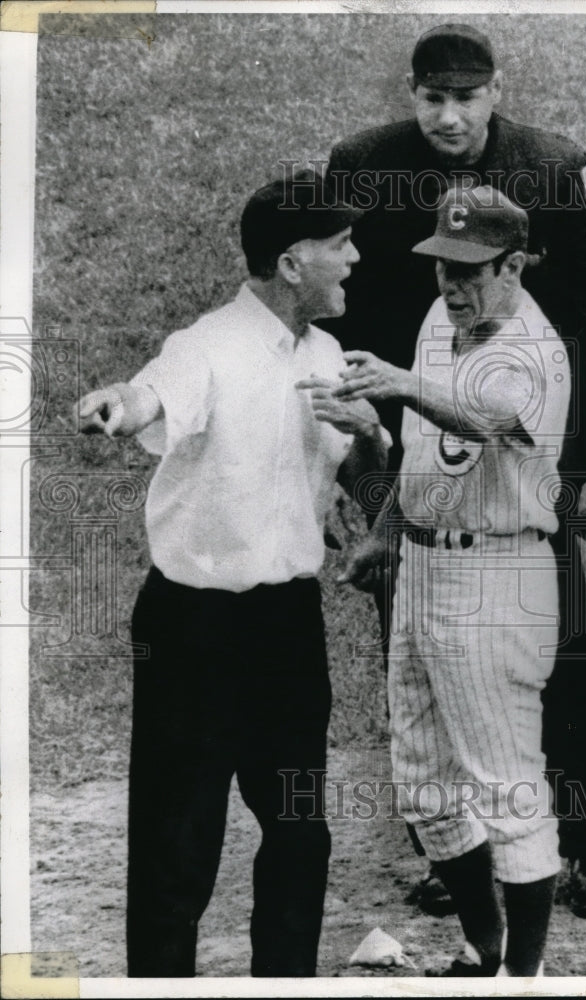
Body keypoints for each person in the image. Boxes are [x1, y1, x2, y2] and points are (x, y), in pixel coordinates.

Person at [320, 21, 586, 913]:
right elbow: (346, 314)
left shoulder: (552, 164)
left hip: (524, 443)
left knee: (562, 639)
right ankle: (452, 845)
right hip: (410, 440)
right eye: (433, 98)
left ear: (495, 91)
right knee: (422, 644)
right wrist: (352, 457)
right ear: (412, 94)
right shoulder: (362, 164)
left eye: (465, 98)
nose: (448, 116)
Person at [75, 173, 389, 977]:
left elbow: (361, 485)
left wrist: (370, 441)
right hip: (194, 630)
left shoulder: (325, 356)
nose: (355, 258)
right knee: (179, 844)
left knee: (298, 827)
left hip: (287, 625)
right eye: (340, 243)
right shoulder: (205, 346)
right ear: (292, 263)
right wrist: (119, 401)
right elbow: (150, 394)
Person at [336, 185, 570, 976]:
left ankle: (522, 980)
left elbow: (485, 421)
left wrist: (402, 383)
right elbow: (423, 452)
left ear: (513, 265)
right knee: (424, 784)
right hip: (426, 569)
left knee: (506, 787)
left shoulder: (533, 348)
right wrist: (382, 533)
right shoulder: (442, 321)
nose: (452, 285)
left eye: (471, 271)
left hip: (499, 576)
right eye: (443, 266)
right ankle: (483, 945)